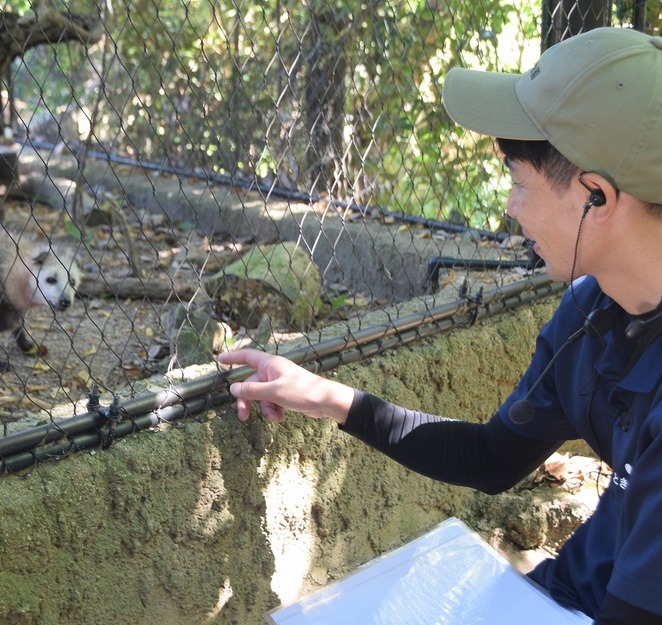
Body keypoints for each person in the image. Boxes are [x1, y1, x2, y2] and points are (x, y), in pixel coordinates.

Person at [218, 26, 662, 625]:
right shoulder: (593, 311)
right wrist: (325, 398)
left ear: (597, 199)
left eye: (518, 181)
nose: (509, 205)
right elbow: (492, 457)